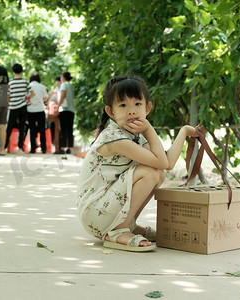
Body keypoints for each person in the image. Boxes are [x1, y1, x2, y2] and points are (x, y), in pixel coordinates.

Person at [77, 75, 199, 252]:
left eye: (137, 104)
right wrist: (149, 128)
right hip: (94, 214)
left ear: (147, 107)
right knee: (149, 171)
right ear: (111, 112)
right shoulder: (114, 138)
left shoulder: (135, 137)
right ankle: (118, 231)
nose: (132, 111)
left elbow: (167, 163)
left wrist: (184, 131)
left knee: (158, 173)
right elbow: (160, 161)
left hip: (106, 209)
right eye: (123, 105)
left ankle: (128, 225)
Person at [4, 63, 32, 154]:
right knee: (22, 127)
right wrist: (26, 98)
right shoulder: (25, 81)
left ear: (13, 71)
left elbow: (8, 95)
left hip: (13, 106)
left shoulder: (10, 82)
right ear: (21, 71)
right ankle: (20, 148)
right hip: (23, 106)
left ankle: (4, 147)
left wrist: (8, 104)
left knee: (9, 127)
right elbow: (32, 93)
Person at [27, 72, 48, 153]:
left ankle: (33, 148)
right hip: (40, 109)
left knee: (32, 130)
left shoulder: (28, 86)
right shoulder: (42, 86)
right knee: (42, 130)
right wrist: (40, 100)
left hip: (30, 110)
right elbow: (45, 98)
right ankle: (44, 148)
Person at [56, 71, 75, 154]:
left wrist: (58, 106)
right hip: (71, 110)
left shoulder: (63, 84)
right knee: (69, 129)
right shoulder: (71, 85)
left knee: (63, 129)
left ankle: (62, 148)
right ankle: (69, 148)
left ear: (63, 77)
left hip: (64, 109)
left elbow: (63, 95)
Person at [46, 76, 61, 152]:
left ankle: (58, 146)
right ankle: (53, 144)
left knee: (58, 129)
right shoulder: (55, 91)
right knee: (52, 127)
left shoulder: (62, 90)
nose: (57, 83)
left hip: (60, 112)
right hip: (53, 112)